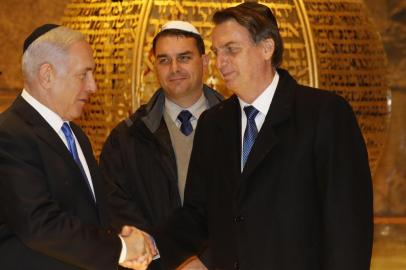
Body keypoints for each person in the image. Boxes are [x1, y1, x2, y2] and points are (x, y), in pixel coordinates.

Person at [146, 3, 373, 270]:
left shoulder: (324, 114)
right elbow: (198, 214)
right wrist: (149, 246)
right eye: (218, 52)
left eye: (232, 50)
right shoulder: (213, 123)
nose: (221, 63)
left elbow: (348, 226)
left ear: (267, 48)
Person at [0, 24, 153, 270]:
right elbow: (40, 224)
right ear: (46, 75)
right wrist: (121, 249)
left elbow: (89, 212)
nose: (93, 86)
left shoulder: (75, 134)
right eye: (84, 74)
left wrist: (123, 237)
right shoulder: (9, 135)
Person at [99, 21, 223, 270]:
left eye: (184, 57)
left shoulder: (239, 128)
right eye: (164, 60)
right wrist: (164, 259)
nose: (174, 68)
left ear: (206, 61)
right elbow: (116, 210)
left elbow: (254, 208)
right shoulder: (127, 137)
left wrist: (206, 261)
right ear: (153, 66)